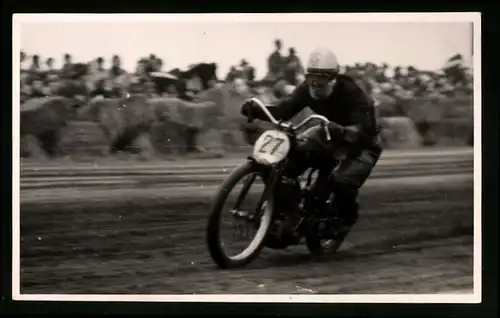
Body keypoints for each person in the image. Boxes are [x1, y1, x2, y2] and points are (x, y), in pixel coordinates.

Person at [241, 47, 383, 240]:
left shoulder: (354, 94)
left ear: (333, 77)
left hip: (363, 144)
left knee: (341, 181)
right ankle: (289, 208)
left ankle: (345, 218)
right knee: (290, 156)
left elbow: (363, 131)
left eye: (322, 77)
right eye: (311, 76)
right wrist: (257, 109)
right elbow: (283, 110)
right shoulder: (305, 89)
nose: (315, 83)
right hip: (327, 131)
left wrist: (343, 130)